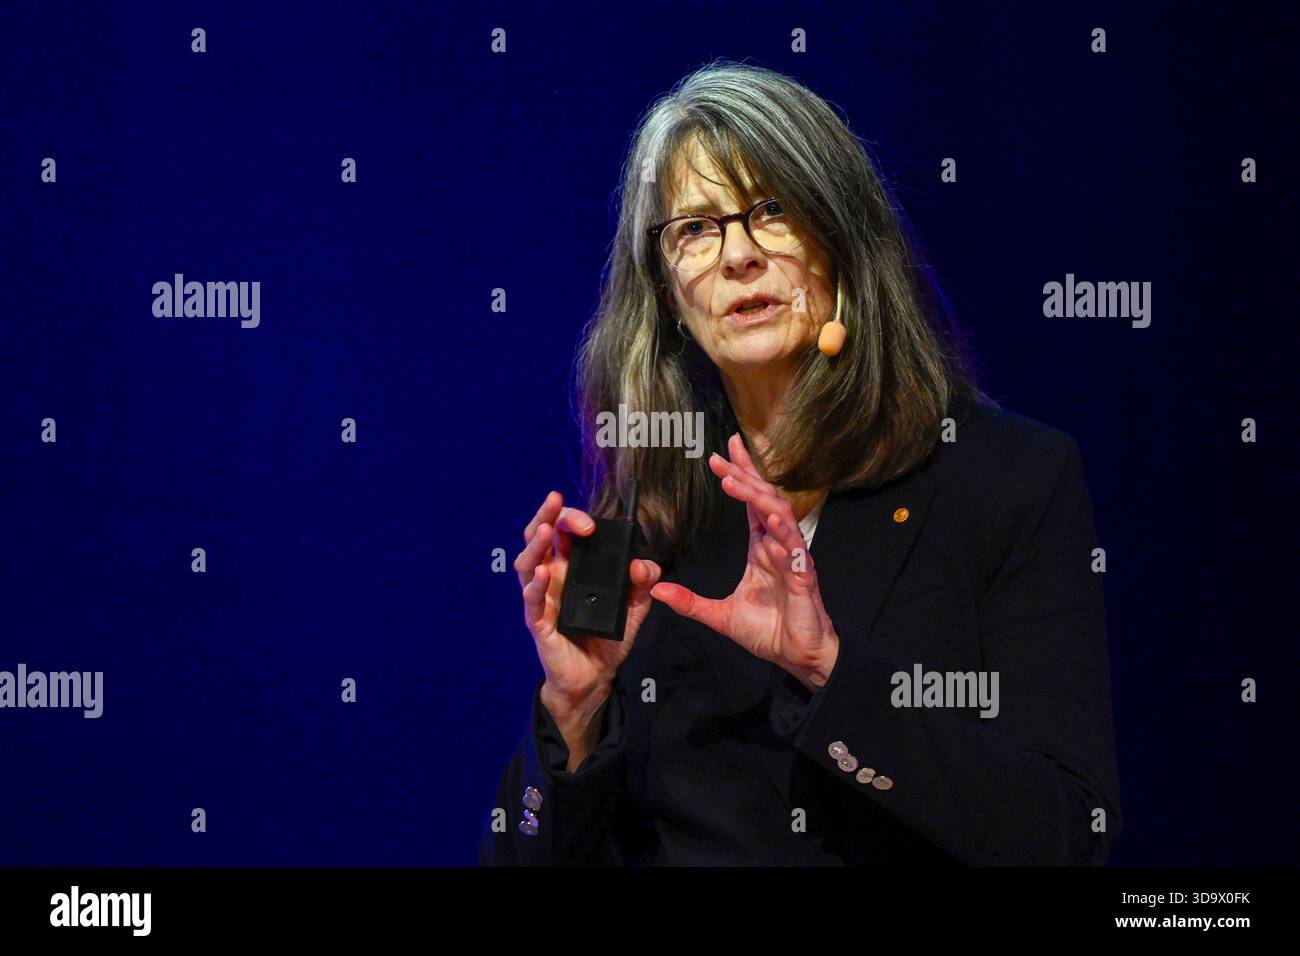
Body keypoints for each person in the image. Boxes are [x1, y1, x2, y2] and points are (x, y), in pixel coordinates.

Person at [480, 60, 1121, 866]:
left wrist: (831, 671)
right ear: (669, 296)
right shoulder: (645, 523)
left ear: (843, 243)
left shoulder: (1007, 480)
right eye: (695, 228)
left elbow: (1067, 834)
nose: (737, 256)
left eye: (772, 210)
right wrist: (573, 712)